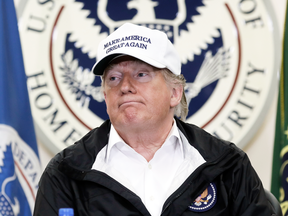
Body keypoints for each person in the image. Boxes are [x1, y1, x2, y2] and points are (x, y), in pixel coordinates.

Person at [33, 23, 275, 216]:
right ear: (105, 95)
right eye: (114, 78)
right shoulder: (66, 173)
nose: (125, 86)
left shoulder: (226, 165)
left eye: (141, 74)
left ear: (174, 92)